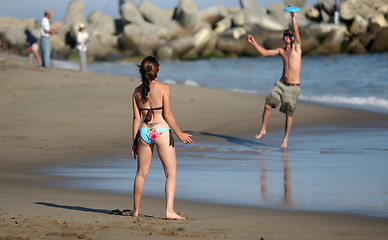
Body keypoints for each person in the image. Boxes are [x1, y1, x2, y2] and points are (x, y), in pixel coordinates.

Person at [131, 56, 193, 220]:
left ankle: (135, 210)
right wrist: (179, 133)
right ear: (158, 70)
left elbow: (136, 119)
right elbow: (167, 114)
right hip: (162, 132)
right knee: (171, 173)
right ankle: (169, 211)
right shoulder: (164, 88)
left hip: (144, 132)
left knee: (141, 174)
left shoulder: (136, 92)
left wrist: (134, 143)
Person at [247, 6, 302, 148]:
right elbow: (264, 52)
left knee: (288, 115)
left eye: (290, 35)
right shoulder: (282, 51)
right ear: (283, 38)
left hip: (293, 88)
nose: (288, 36)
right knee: (267, 104)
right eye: (286, 35)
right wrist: (254, 43)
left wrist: (293, 15)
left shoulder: (297, 49)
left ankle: (285, 139)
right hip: (281, 84)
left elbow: (296, 30)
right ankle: (263, 129)